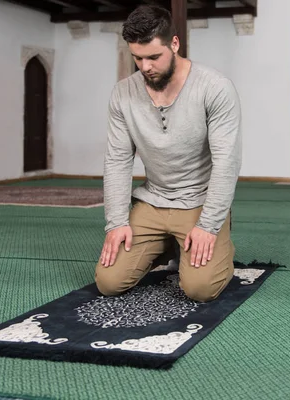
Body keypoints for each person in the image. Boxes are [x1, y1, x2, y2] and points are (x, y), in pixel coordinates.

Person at [94, 5, 242, 303]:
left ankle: (218, 243)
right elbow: (118, 161)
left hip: (198, 203)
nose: (145, 67)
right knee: (108, 282)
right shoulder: (123, 93)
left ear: (175, 44)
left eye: (153, 57)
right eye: (137, 58)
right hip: (153, 200)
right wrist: (117, 222)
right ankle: (164, 245)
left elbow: (226, 162)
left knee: (199, 290)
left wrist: (208, 225)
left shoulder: (215, 87)